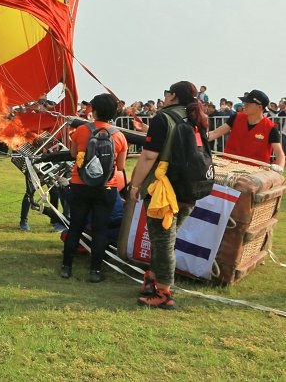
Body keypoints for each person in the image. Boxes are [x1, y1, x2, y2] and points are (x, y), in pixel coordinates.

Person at [128, 81, 207, 310]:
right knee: (164, 239)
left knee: (162, 242)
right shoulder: (197, 117)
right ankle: (153, 277)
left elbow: (148, 156)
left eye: (166, 93)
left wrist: (135, 185)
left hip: (163, 189)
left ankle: (164, 293)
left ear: (173, 96)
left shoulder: (163, 117)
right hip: (191, 188)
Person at [61, 93, 128, 283]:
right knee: (100, 230)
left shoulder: (81, 130)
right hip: (106, 187)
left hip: (79, 185)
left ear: (94, 111)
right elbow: (120, 166)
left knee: (75, 227)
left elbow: (73, 154)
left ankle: (66, 267)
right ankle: (95, 271)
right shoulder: (119, 136)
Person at [208, 89, 285, 173]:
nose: (244, 105)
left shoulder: (270, 128)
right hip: (228, 170)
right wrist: (198, 138)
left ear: (260, 107)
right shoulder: (235, 118)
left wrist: (279, 169)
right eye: (245, 102)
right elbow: (215, 133)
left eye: (249, 103)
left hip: (254, 174)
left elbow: (280, 154)